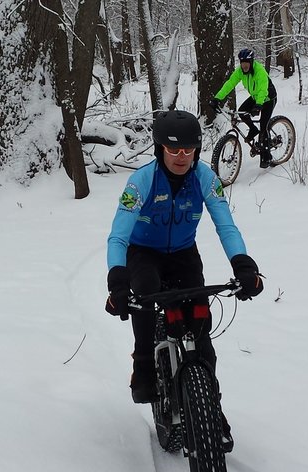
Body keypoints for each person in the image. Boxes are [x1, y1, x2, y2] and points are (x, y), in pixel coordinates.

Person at [104, 109, 264, 450]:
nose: (181, 156)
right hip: (143, 253)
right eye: (173, 149)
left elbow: (226, 226)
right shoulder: (141, 181)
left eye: (188, 149)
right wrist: (117, 282)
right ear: (159, 149)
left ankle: (212, 408)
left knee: (200, 326)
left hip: (182, 254)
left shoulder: (205, 178)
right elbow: (118, 236)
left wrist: (243, 265)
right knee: (144, 290)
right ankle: (144, 363)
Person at [210, 48, 277, 168]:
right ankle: (252, 129)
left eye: (247, 62)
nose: (244, 65)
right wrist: (217, 98)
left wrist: (258, 105)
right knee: (242, 112)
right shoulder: (240, 71)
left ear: (251, 62)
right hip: (256, 97)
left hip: (267, 98)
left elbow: (263, 89)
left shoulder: (259, 71)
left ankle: (267, 156)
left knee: (264, 126)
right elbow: (230, 84)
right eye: (242, 63)